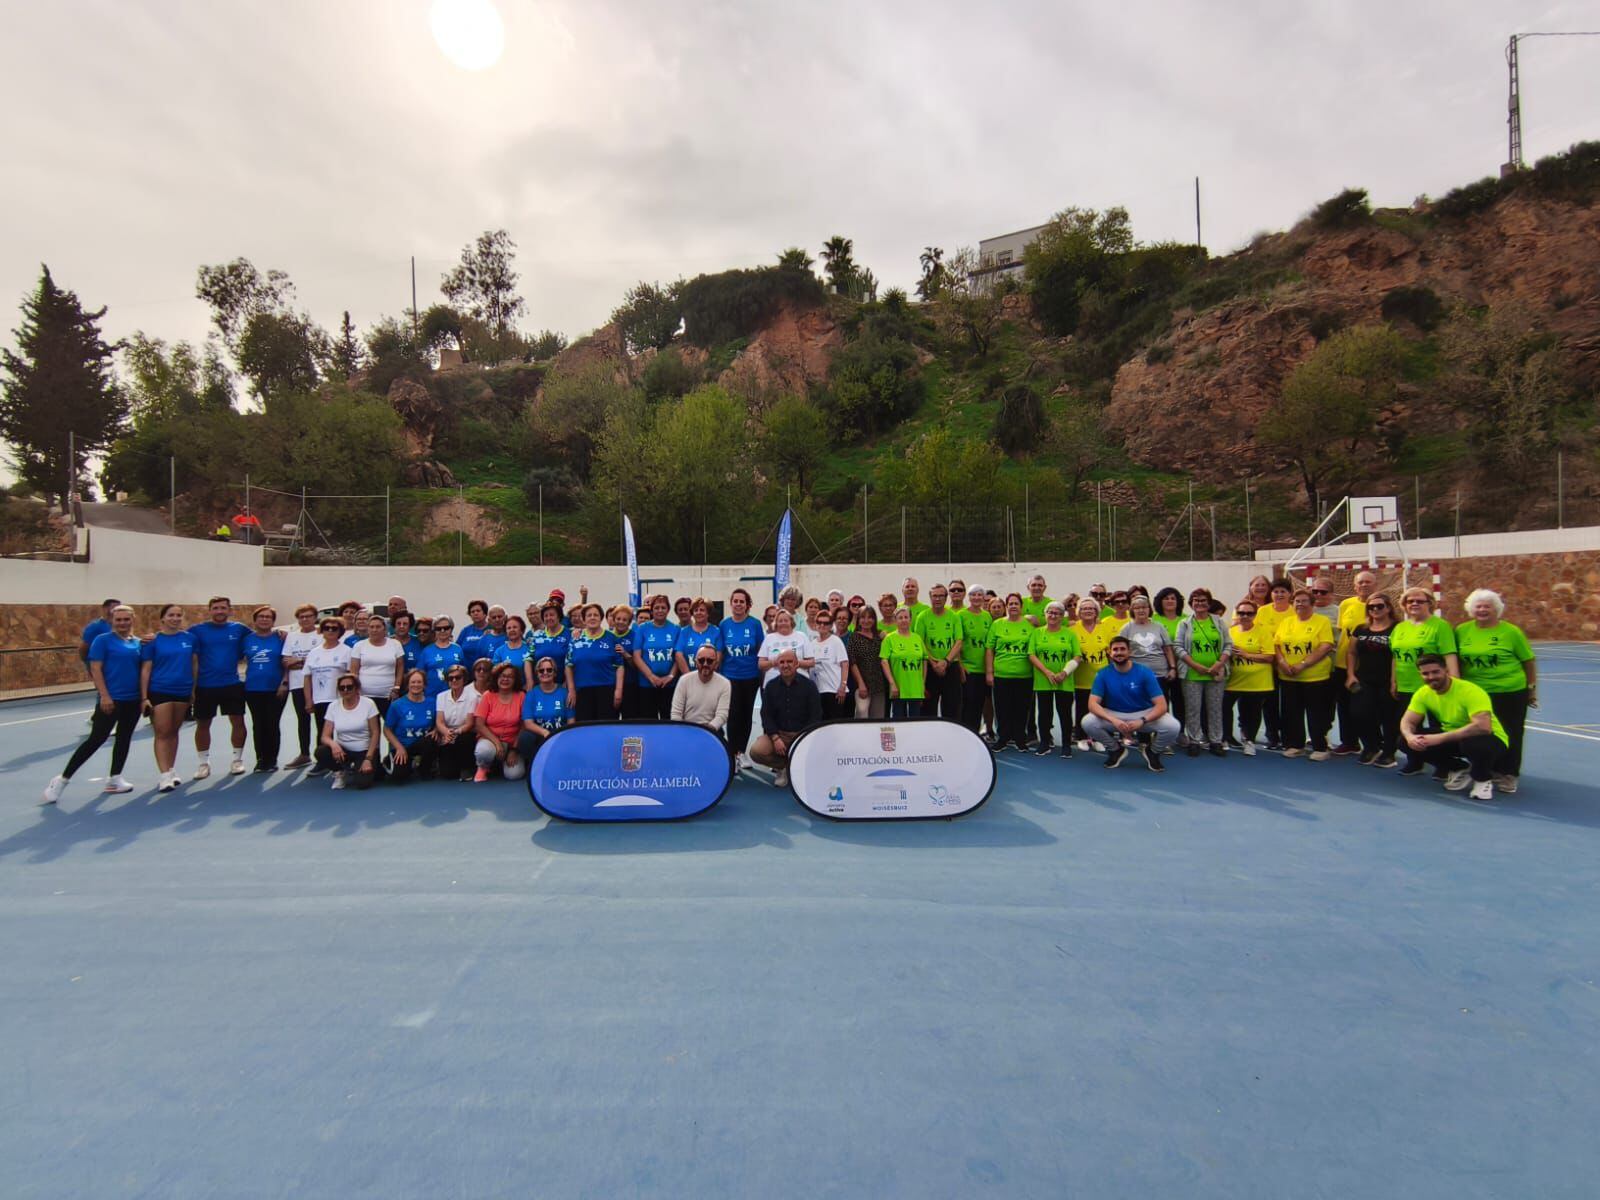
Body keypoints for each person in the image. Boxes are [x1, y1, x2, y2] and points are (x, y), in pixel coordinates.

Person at [43, 605, 143, 805]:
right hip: (111, 700)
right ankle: (61, 780)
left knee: (124, 738)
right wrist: (105, 696)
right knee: (96, 739)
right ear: (112, 621)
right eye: (118, 620)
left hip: (133, 700)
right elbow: (96, 669)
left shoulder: (138, 643)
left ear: (133, 620)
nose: (122, 623)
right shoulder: (102, 641)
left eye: (126, 619)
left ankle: (115, 779)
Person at [1455, 588, 1536, 794]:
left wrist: (1531, 688)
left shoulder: (1510, 632)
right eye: (1478, 606)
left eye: (1487, 607)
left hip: (1509, 691)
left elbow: (1528, 660)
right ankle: (1483, 767)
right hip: (1476, 693)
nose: (1482, 610)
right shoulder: (1462, 630)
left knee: (1511, 732)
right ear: (1471, 609)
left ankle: (1508, 773)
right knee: (1479, 732)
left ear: (1496, 609)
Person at [1400, 655, 1510, 802]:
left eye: (1435, 672)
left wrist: (1438, 738)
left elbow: (1483, 727)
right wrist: (1409, 736)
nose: (1431, 677)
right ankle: (1459, 768)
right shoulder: (1423, 693)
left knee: (1473, 744)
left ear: (1446, 670)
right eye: (1425, 673)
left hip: (1490, 738)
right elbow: (1408, 721)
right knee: (1404, 742)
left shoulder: (1470, 691)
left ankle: (1482, 779)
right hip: (1454, 736)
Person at [1082, 636, 1180, 771]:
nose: (1119, 652)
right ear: (1110, 653)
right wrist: (1113, 720)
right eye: (1115, 650)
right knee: (1088, 722)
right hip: (1115, 715)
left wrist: (1142, 720)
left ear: (1130, 652)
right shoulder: (1102, 674)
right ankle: (1116, 750)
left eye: (1123, 649)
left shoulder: (1144, 672)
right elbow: (1093, 704)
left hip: (1143, 714)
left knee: (1173, 726)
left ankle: (1153, 752)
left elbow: (1161, 705)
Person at [187, 595, 250, 778]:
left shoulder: (239, 629)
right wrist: (151, 638)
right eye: (216, 608)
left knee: (238, 722)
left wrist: (281, 634)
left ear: (230, 610)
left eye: (223, 608)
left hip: (231, 684)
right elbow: (175, 638)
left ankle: (237, 760)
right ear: (210, 610)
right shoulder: (197, 630)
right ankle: (203, 763)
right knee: (203, 724)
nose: (220, 611)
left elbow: (261, 635)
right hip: (205, 686)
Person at [1274, 587, 1336, 759]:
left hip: (1314, 676)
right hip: (1288, 675)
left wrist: (1303, 664)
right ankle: (1296, 744)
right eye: (1297, 601)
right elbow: (1277, 645)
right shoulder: (1287, 622)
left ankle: (1320, 747)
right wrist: (1282, 662)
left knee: (1316, 712)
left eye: (1304, 601)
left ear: (1312, 604)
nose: (1300, 604)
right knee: (1292, 711)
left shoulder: (1321, 621)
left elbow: (1325, 646)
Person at [140, 603, 196, 793]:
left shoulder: (189, 639)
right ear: (163, 618)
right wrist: (144, 697)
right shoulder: (153, 641)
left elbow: (194, 664)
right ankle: (164, 775)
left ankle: (171, 769)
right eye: (171, 615)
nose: (175, 618)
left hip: (182, 690)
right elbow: (146, 669)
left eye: (178, 615)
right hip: (160, 690)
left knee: (174, 731)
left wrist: (193, 690)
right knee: (162, 732)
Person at [749, 649, 821, 788]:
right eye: (782, 662)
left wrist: (803, 738)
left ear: (796, 664)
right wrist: (775, 738)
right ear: (777, 665)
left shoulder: (809, 686)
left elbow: (815, 715)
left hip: (802, 734)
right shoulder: (770, 687)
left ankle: (798, 768)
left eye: (789, 662)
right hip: (779, 734)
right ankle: (783, 767)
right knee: (756, 752)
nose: (785, 665)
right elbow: (766, 715)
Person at [1346, 593, 1401, 767]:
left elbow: (1397, 655)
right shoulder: (1361, 628)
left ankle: (1389, 752)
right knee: (1359, 713)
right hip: (1365, 679)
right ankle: (1371, 746)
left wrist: (1394, 680)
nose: (1375, 610)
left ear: (1389, 608)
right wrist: (1350, 674)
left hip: (1387, 679)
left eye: (1380, 606)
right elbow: (1351, 652)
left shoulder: (1398, 628)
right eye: (1371, 607)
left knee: (1389, 717)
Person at [1177, 588, 1233, 756]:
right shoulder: (1185, 623)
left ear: (1209, 603)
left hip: (1215, 673)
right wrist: (1195, 665)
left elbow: (1228, 645)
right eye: (1196, 600)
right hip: (1192, 673)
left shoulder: (1219, 622)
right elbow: (1178, 647)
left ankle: (1216, 740)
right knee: (1193, 708)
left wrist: (1220, 663)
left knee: (1215, 708)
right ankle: (1195, 739)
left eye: (1203, 600)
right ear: (1191, 604)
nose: (1199, 604)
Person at [1332, 571, 1380, 753]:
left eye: (1368, 582)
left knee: (1367, 709)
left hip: (1368, 667)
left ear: (1375, 585)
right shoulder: (1346, 604)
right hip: (1343, 664)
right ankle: (1349, 742)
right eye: (1361, 582)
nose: (1364, 585)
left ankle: (1375, 744)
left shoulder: (1379, 604)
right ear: (1354, 586)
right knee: (1344, 706)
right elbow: (1342, 632)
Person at [717, 588, 764, 766]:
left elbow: (760, 650)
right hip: (730, 677)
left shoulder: (755, 624)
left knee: (745, 715)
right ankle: (732, 753)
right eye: (735, 601)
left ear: (747, 605)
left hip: (750, 677)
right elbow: (721, 652)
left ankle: (741, 752)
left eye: (741, 601)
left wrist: (761, 676)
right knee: (733, 715)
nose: (738, 604)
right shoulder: (724, 625)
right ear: (731, 604)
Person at [1027, 601, 1080, 757]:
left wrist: (1064, 672)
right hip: (1043, 680)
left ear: (1062, 616)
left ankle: (1066, 745)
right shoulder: (1037, 633)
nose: (1053, 615)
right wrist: (1047, 672)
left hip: (1065, 680)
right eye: (1050, 612)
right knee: (1044, 713)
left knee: (1064, 713)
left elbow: (1077, 656)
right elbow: (1031, 655)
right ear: (1045, 614)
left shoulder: (1069, 633)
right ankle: (1044, 743)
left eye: (1057, 613)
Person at [302, 616, 353, 775]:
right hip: (321, 699)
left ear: (340, 632)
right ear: (322, 631)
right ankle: (324, 762)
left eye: (334, 628)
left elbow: (352, 676)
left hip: (341, 699)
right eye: (327, 628)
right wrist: (309, 700)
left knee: (347, 731)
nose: (330, 631)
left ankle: (348, 760)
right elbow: (307, 678)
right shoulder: (314, 653)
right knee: (323, 732)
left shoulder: (346, 651)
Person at [1391, 587, 1459, 704]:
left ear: (1430, 603)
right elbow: (1395, 657)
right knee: (1408, 722)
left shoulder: (1440, 626)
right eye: (1410, 601)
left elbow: (1449, 656)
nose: (1414, 604)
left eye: (1420, 601)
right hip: (1404, 687)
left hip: (1432, 686)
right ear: (1404, 605)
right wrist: (1393, 681)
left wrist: (1455, 684)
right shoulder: (1399, 628)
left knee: (1435, 722)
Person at [316, 672, 383, 790]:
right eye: (342, 688)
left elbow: (375, 733)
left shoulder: (368, 704)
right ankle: (340, 771)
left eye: (349, 687)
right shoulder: (333, 706)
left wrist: (368, 759)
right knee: (321, 752)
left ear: (357, 688)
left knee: (363, 784)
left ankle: (358, 767)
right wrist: (334, 745)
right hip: (343, 751)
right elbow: (324, 736)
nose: (345, 690)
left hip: (364, 751)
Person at [984, 593, 1034, 751]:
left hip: (1024, 675)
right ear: (1007, 606)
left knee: (1021, 708)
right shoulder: (997, 624)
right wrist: (989, 672)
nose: (1013, 606)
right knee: (1002, 708)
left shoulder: (1029, 625)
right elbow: (989, 649)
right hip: (1002, 675)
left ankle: (1020, 738)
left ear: (1021, 606)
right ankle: (1003, 738)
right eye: (1010, 603)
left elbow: (1033, 650)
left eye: (1016, 603)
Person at [241, 606, 288, 772]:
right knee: (258, 724)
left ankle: (272, 759)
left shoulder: (282, 638)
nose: (264, 619)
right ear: (255, 620)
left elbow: (286, 662)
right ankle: (260, 759)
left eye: (268, 617)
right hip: (253, 688)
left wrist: (284, 682)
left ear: (273, 621)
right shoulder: (246, 639)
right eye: (261, 616)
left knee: (272, 724)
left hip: (275, 689)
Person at [1225, 598, 1274, 756]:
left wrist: (1246, 654)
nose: (1245, 616)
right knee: (1223, 708)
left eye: (1249, 613)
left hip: (1256, 681)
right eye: (1241, 613)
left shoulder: (1263, 631)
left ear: (1255, 615)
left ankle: (1249, 741)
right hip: (1233, 679)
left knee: (1250, 713)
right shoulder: (1229, 631)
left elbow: (1269, 657)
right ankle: (1225, 737)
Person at [1069, 598, 1116, 751]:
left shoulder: (1104, 629)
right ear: (1079, 613)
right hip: (1080, 678)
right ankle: (1081, 737)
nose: (1088, 611)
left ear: (1097, 612)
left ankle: (1099, 739)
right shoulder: (1073, 629)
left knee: (1101, 709)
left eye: (1091, 609)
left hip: (1101, 678)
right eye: (1084, 609)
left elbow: (1111, 653)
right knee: (1082, 708)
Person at [1254, 578, 1295, 750]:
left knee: (1288, 702)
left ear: (1289, 594)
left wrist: (1283, 660)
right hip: (1267, 663)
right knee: (1269, 702)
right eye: (1276, 591)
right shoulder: (1262, 611)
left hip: (1287, 663)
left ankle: (1289, 737)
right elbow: (1257, 634)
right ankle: (1272, 736)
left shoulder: (1294, 612)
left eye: (1283, 592)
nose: (1279, 595)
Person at [914, 584, 963, 721]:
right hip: (930, 668)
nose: (937, 599)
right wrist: (933, 663)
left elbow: (958, 641)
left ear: (946, 598)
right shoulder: (923, 617)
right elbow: (920, 642)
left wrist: (946, 661)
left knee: (952, 708)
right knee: (928, 709)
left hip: (950, 667)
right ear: (930, 597)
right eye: (934, 596)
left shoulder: (954, 617)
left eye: (941, 595)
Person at [566, 603, 622, 720]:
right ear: (584, 619)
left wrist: (618, 690)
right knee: (585, 729)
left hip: (606, 690)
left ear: (601, 618)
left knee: (606, 728)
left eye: (596, 615)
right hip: (582, 691)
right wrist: (571, 690)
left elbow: (620, 666)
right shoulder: (576, 638)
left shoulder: (611, 637)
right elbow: (568, 665)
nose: (592, 617)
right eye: (589, 615)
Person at [472, 662, 527, 782]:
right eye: (502, 676)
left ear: (515, 679)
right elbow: (479, 724)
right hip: (490, 740)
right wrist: (497, 743)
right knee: (484, 752)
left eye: (510, 676)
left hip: (512, 743)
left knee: (514, 775)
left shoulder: (521, 696)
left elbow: (524, 726)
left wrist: (514, 750)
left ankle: (499, 765)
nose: (505, 679)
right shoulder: (488, 695)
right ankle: (483, 767)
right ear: (497, 677)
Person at [516, 656, 573, 766]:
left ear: (555, 673)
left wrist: (561, 735)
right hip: (541, 736)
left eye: (549, 670)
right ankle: (534, 765)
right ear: (537, 674)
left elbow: (571, 720)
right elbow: (528, 723)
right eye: (541, 670)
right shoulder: (531, 694)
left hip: (560, 735)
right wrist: (545, 732)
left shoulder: (564, 693)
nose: (545, 673)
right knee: (525, 737)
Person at [383, 669, 437, 783]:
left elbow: (439, 720)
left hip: (421, 743)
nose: (416, 685)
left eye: (419, 682)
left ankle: (424, 768)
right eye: (413, 682)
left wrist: (436, 729)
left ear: (424, 685)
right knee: (398, 778)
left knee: (431, 740)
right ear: (407, 684)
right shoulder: (397, 705)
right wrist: (399, 747)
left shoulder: (432, 703)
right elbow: (387, 730)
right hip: (403, 746)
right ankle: (397, 762)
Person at [634, 594, 680, 720]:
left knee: (669, 720)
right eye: (657, 608)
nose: (660, 610)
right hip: (647, 684)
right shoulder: (643, 628)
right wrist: (651, 676)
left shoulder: (675, 629)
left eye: (663, 608)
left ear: (668, 609)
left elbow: (678, 656)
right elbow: (637, 656)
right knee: (649, 722)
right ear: (652, 610)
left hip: (669, 685)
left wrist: (670, 676)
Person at [350, 612, 405, 718]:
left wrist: (396, 687)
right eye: (372, 627)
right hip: (364, 696)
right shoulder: (359, 646)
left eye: (378, 627)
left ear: (385, 629)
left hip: (388, 696)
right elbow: (354, 671)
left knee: (390, 726)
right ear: (368, 629)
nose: (375, 629)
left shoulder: (395, 644)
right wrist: (355, 691)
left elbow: (400, 667)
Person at [956, 585, 993, 735]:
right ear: (968, 597)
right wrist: (960, 666)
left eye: (979, 595)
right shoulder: (961, 615)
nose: (976, 598)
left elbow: (990, 645)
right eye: (973, 595)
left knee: (978, 705)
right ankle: (964, 735)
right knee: (966, 704)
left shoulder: (987, 616)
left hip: (983, 669)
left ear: (983, 598)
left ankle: (975, 736)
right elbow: (957, 642)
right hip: (968, 669)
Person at [880, 606, 928, 720]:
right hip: (899, 689)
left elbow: (924, 660)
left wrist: (923, 682)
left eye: (906, 617)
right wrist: (892, 684)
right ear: (895, 620)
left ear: (910, 620)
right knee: (899, 722)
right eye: (900, 618)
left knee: (915, 722)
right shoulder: (890, 639)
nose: (904, 620)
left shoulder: (917, 638)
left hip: (916, 689)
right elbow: (884, 661)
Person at [672, 645, 733, 735]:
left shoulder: (725, 683)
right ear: (696, 662)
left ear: (716, 663)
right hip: (686, 729)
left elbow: (722, 715)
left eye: (710, 661)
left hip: (712, 730)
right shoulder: (684, 680)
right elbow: (676, 714)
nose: (705, 664)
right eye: (701, 660)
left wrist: (706, 730)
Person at [433, 665, 479, 781]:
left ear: (464, 679)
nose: (454, 680)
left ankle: (467, 768)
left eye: (458, 677)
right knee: (448, 774)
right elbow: (439, 721)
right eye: (451, 678)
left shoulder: (472, 697)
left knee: (465, 739)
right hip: (447, 733)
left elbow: (469, 723)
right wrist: (446, 733)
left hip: (464, 733)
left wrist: (455, 732)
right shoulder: (441, 696)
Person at [846, 605, 887, 720]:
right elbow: (852, 662)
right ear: (858, 620)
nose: (866, 621)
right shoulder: (854, 637)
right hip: (862, 682)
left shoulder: (880, 636)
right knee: (862, 714)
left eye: (870, 618)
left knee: (878, 718)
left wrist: (886, 636)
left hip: (879, 684)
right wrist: (861, 683)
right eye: (863, 617)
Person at [808, 609, 850, 718]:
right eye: (819, 622)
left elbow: (844, 664)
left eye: (826, 623)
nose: (822, 625)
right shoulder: (812, 644)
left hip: (834, 691)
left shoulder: (835, 641)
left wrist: (843, 685)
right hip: (818, 691)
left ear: (831, 625)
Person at [758, 608, 813, 684]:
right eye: (780, 621)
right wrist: (774, 663)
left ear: (791, 622)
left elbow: (811, 662)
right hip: (773, 683)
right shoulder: (769, 638)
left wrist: (796, 663)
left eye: (786, 620)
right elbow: (761, 664)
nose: (783, 623)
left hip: (799, 682)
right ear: (776, 623)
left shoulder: (801, 636)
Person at [417, 616, 465, 699]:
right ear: (434, 630)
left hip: (454, 697)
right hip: (431, 697)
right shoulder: (427, 651)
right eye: (439, 628)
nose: (442, 631)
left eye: (446, 628)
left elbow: (464, 673)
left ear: (451, 629)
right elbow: (419, 674)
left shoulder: (458, 649)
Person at [674, 598, 723, 677]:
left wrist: (706, 675)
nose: (698, 613)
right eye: (696, 610)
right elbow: (679, 655)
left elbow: (718, 656)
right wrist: (689, 677)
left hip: (709, 677)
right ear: (692, 613)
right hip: (689, 677)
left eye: (702, 610)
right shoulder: (684, 632)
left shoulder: (716, 631)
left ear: (708, 613)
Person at [77, 598, 120, 679]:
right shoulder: (95, 626)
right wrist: (90, 666)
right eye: (115, 608)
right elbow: (83, 648)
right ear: (105, 609)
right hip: (101, 666)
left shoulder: (117, 626)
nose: (117, 611)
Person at [491, 615, 534, 689]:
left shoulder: (529, 649)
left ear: (521, 630)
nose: (512, 630)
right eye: (509, 628)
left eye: (515, 627)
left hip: (524, 691)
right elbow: (494, 672)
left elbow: (530, 678)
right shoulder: (499, 651)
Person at [530, 603, 571, 681]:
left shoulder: (570, 634)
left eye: (552, 615)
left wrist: (568, 683)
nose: (549, 618)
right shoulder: (537, 636)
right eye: (546, 616)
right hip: (541, 684)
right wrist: (530, 681)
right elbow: (528, 659)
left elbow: (572, 662)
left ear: (558, 616)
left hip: (563, 685)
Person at [457, 599, 495, 664]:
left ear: (485, 613)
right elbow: (457, 650)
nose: (475, 613)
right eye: (472, 612)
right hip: (467, 671)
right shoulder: (466, 631)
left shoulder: (493, 629)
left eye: (478, 611)